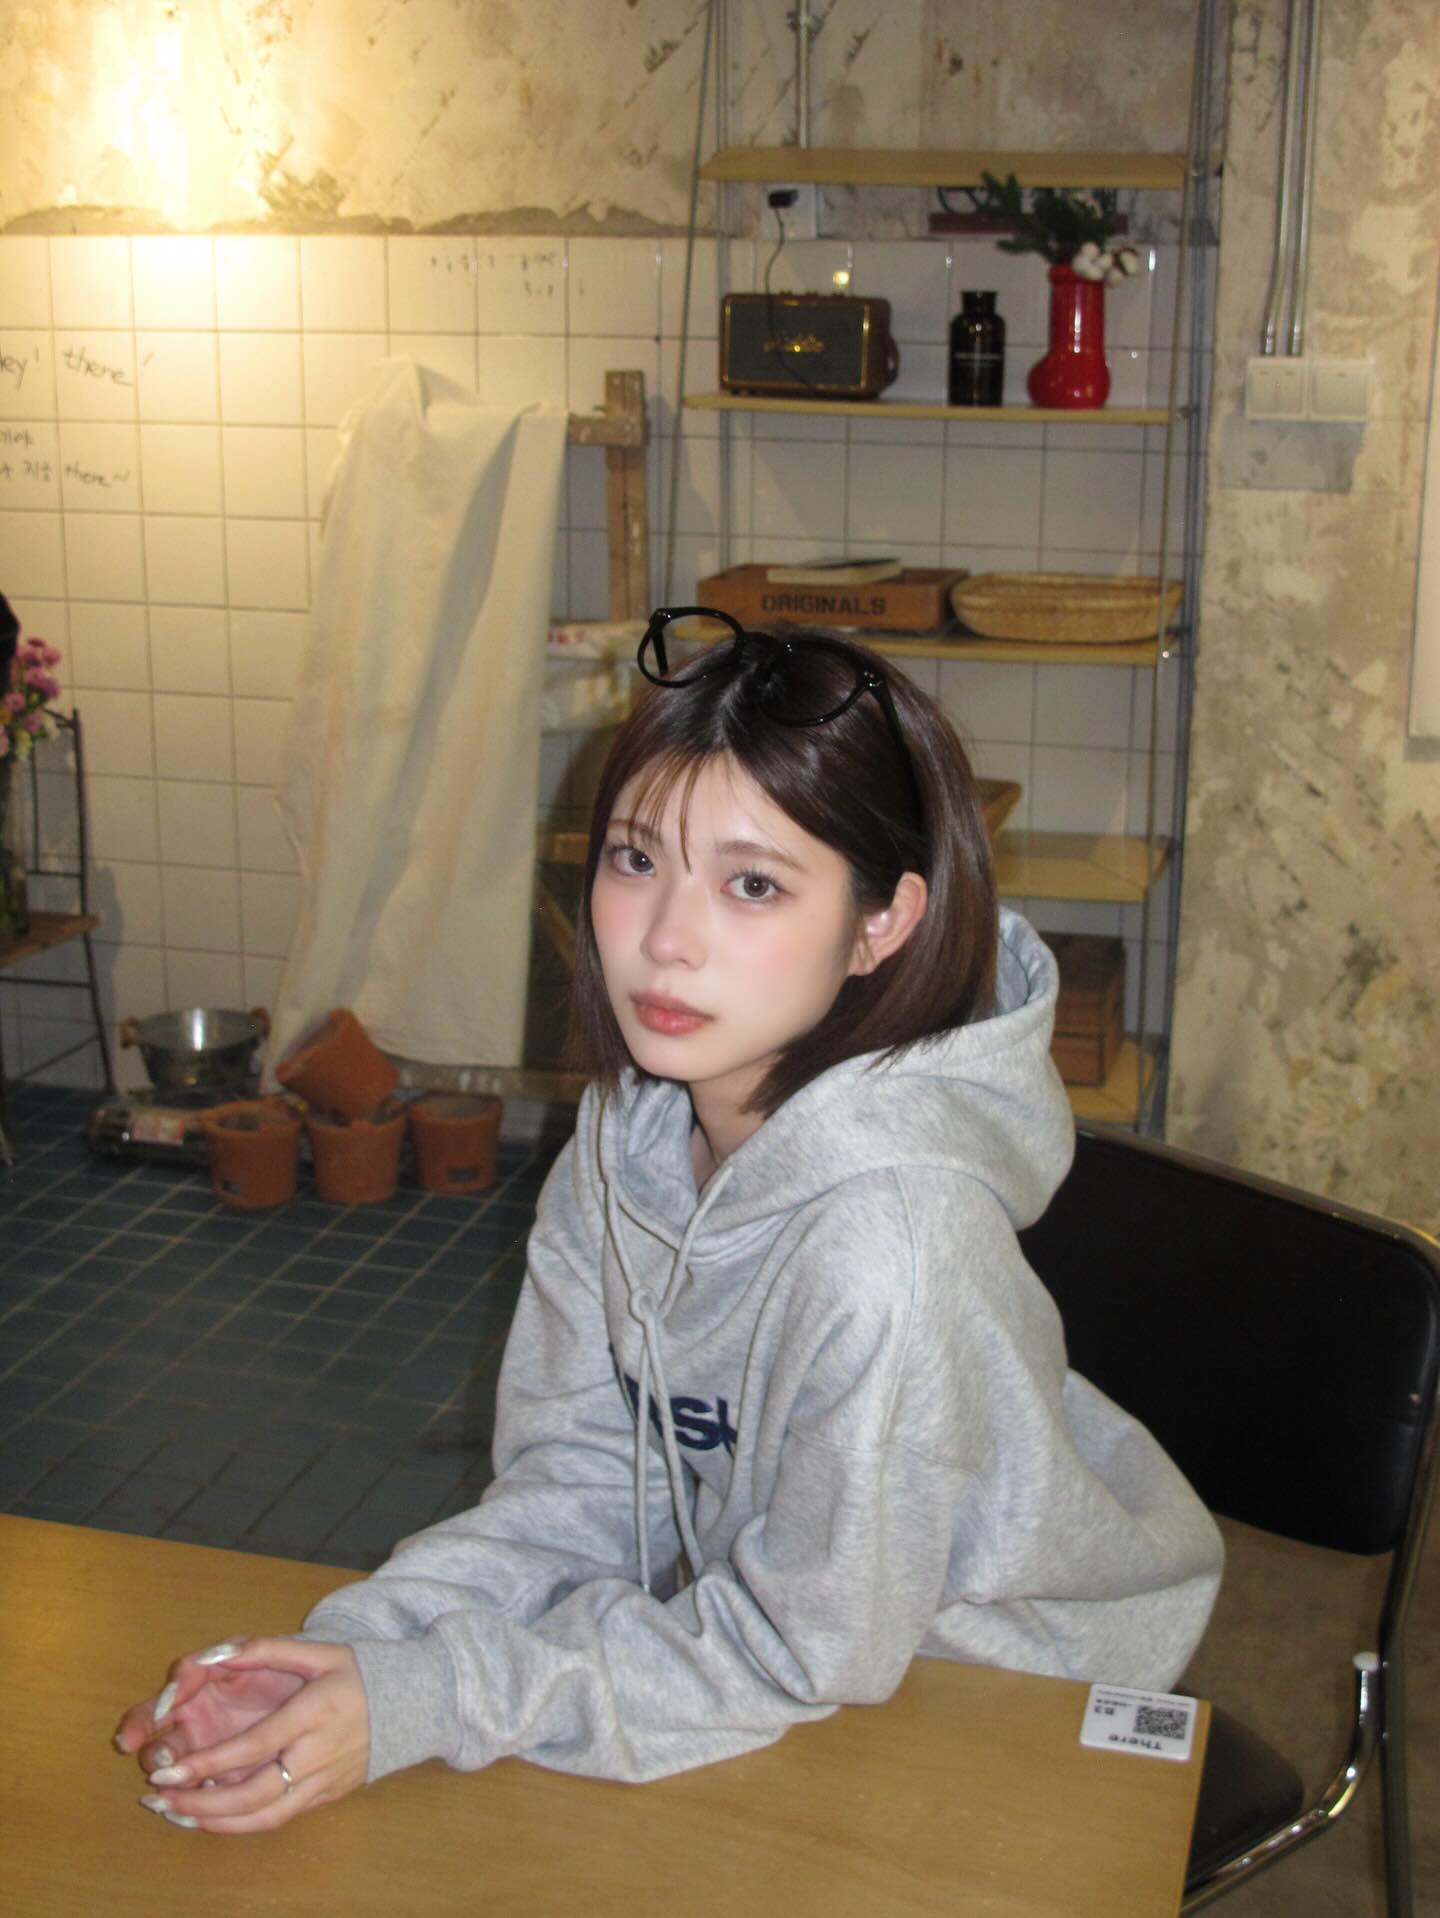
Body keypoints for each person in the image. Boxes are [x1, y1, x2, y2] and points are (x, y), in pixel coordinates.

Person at [114, 608, 1223, 1833]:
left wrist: (440, 1696)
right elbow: (586, 1471)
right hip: (822, 1630)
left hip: (1009, 1677)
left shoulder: (892, 1252)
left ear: (881, 923)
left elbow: (800, 1651)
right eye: (636, 859)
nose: (664, 942)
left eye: (753, 884)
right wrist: (363, 1654)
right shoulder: (634, 1131)